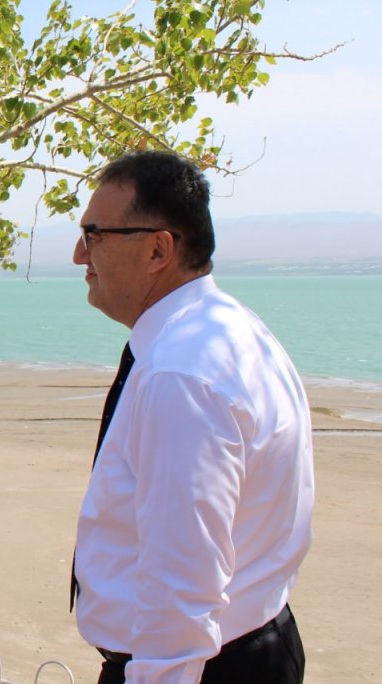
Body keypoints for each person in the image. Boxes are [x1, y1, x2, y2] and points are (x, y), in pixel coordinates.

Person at [69, 150, 314, 683]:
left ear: (158, 249)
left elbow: (181, 586)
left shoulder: (181, 374)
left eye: (94, 235)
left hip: (202, 666)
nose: (78, 254)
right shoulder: (226, 329)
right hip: (248, 642)